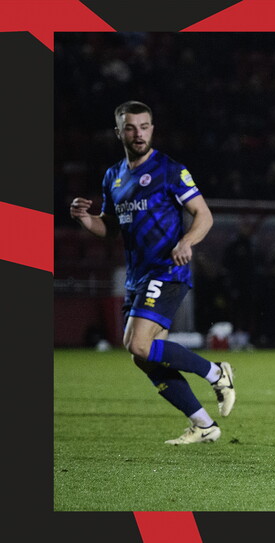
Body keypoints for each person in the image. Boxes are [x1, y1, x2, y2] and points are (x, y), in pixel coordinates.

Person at [69, 100, 236, 445]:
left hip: (168, 269)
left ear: (152, 129)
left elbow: (203, 215)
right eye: (130, 127)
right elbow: (113, 228)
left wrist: (187, 241)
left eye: (144, 126)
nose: (138, 133)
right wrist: (87, 220)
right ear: (119, 132)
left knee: (140, 345)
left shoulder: (170, 170)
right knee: (142, 357)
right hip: (138, 276)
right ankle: (203, 424)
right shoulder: (113, 177)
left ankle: (216, 372)